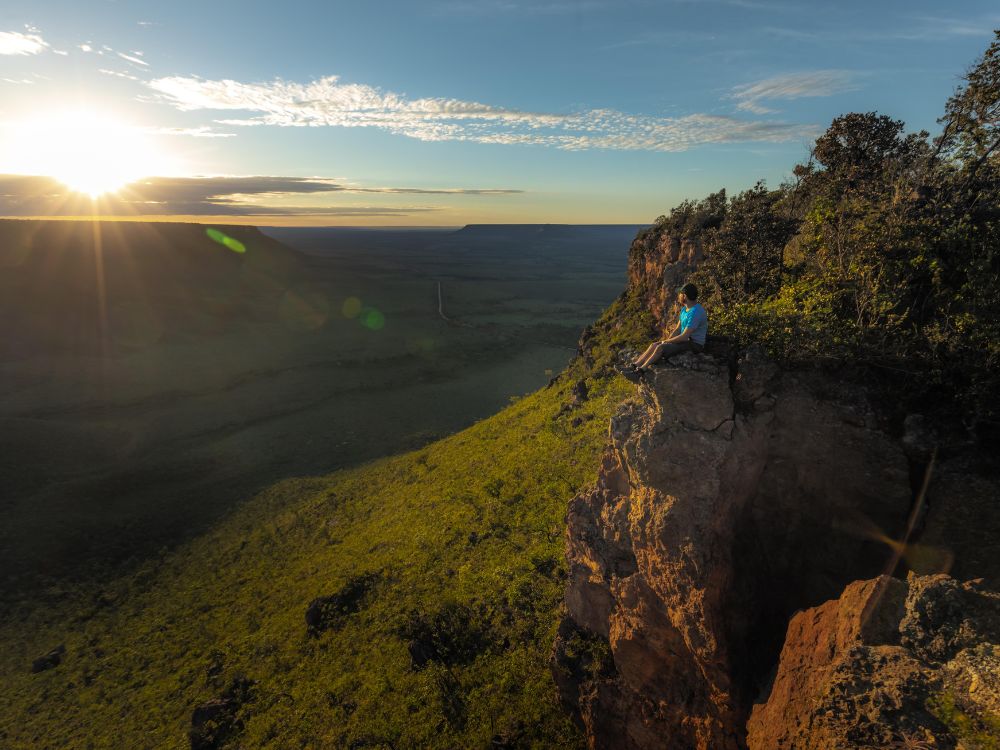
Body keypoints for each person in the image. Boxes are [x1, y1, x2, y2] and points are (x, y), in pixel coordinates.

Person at [622, 283, 708, 381]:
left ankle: (640, 371)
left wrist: (666, 343)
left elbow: (684, 336)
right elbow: (678, 329)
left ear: (685, 296)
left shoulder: (696, 312)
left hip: (694, 344)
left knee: (660, 347)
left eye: (680, 294)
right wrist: (667, 340)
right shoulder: (685, 309)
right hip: (686, 341)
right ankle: (634, 366)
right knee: (654, 344)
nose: (679, 296)